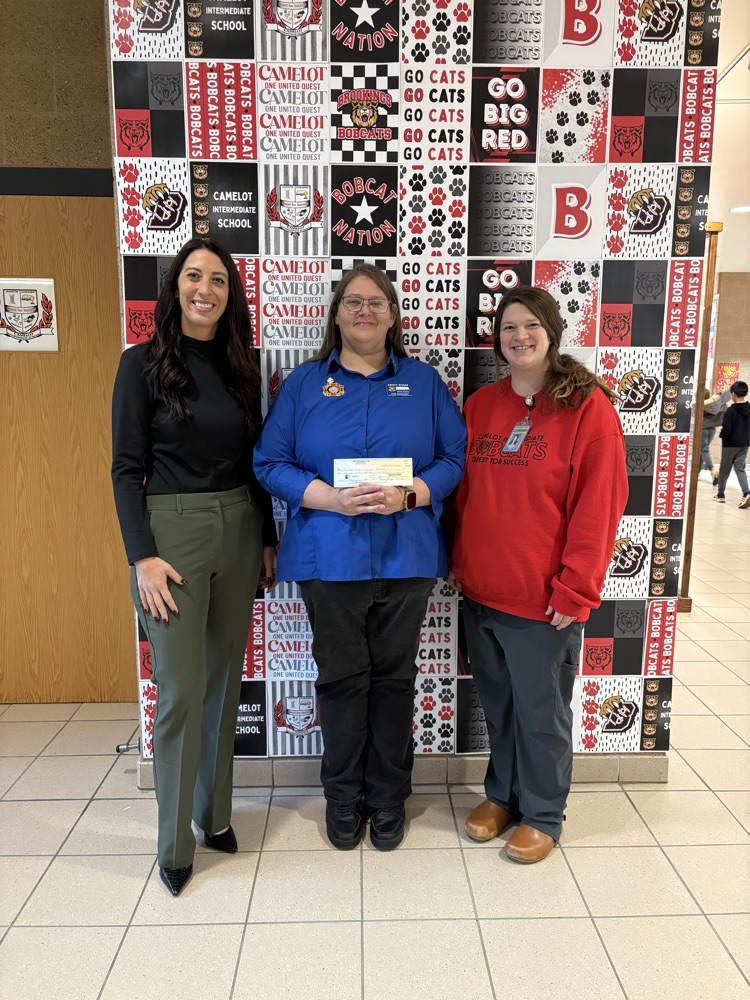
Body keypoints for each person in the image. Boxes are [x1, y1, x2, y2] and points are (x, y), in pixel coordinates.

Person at [254, 264, 466, 851]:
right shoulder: (303, 384)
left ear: (393, 315)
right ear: (337, 314)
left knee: (395, 682)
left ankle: (389, 798)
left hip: (407, 558)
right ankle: (343, 797)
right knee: (342, 681)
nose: (364, 311)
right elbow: (269, 462)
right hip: (329, 560)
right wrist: (330, 498)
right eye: (353, 302)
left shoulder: (423, 382)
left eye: (376, 302)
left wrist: (409, 495)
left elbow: (454, 458)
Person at [111, 238, 277, 896]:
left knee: (223, 681)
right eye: (193, 276)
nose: (205, 289)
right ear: (175, 286)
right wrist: (141, 557)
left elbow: (253, 463)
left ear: (230, 294)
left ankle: (214, 816)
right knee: (180, 689)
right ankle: (175, 843)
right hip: (171, 535)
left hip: (239, 528)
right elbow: (125, 468)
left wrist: (266, 538)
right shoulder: (141, 364)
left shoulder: (241, 366)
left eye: (218, 280)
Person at [449, 286, 628, 864]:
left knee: (541, 714)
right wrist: (460, 564)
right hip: (481, 591)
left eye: (530, 325)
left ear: (551, 332)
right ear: (496, 339)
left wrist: (576, 589)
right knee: (499, 707)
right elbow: (466, 496)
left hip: (542, 600)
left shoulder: (587, 407)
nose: (518, 336)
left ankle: (545, 813)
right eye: (508, 327)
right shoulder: (482, 405)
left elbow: (600, 506)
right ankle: (503, 796)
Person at [714, 380, 750, 508]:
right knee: (740, 468)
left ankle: (720, 495)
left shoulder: (730, 411)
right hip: (744, 443)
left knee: (725, 469)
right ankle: (746, 493)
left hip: (730, 444)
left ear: (733, 394)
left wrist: (722, 435)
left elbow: (727, 429)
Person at [701, 386, 727, 485]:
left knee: (704, 450)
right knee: (702, 450)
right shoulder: (712, 405)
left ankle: (713, 470)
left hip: (703, 429)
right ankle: (697, 473)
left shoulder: (700, 404)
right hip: (712, 429)